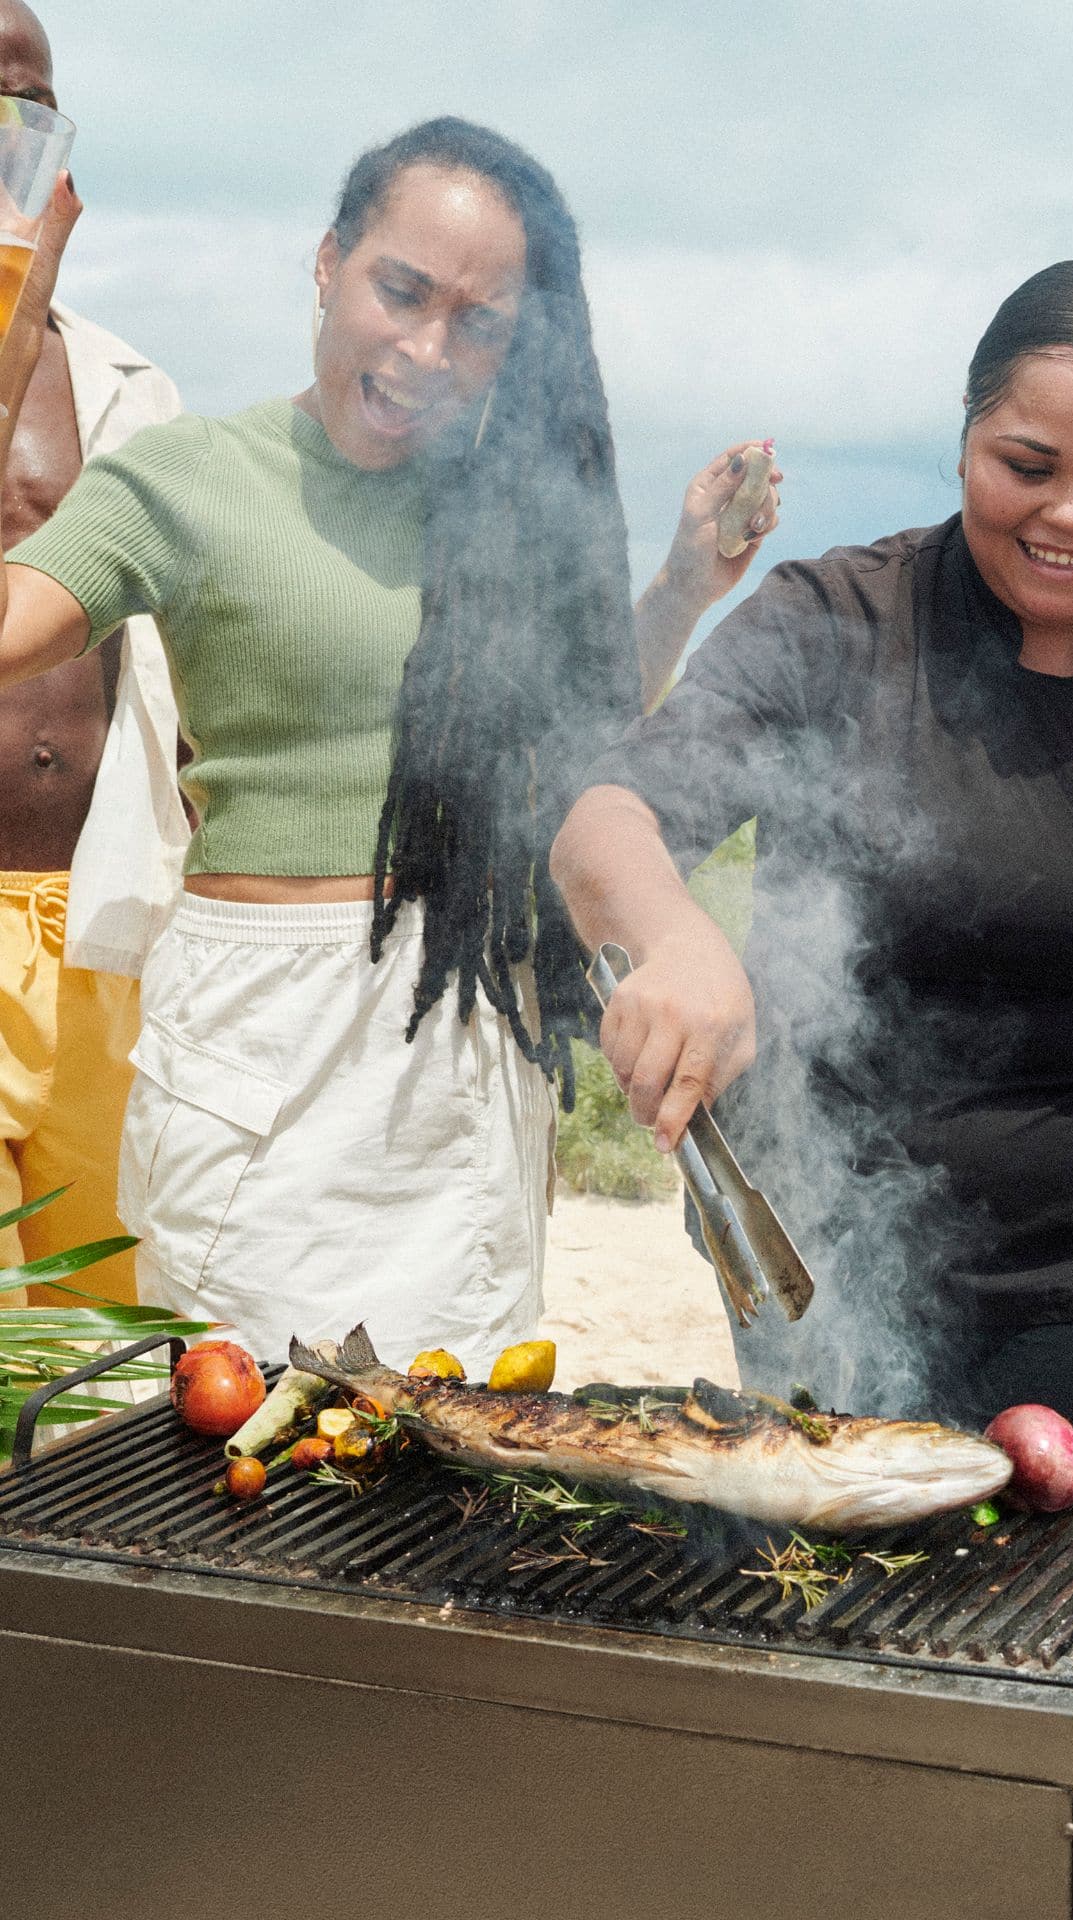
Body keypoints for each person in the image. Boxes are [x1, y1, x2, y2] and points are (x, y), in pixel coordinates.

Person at [0, 118, 774, 1365]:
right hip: (264, 1038)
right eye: (400, 291)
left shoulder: (501, 516)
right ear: (326, 261)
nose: (426, 349)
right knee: (241, 1458)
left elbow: (567, 752)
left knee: (454, 1457)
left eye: (480, 325)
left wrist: (683, 586)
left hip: (466, 1029)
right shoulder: (190, 477)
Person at [550, 259, 1073, 1450]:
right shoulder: (832, 622)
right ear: (966, 439)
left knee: (1069, 1607)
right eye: (1025, 467)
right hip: (828, 1247)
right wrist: (677, 938)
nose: (1068, 517)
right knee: (834, 1596)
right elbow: (605, 822)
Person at [0, 0, 181, 1307]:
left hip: (100, 910)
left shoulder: (131, 385)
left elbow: (185, 662)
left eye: (28, 104)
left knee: (90, 1336)